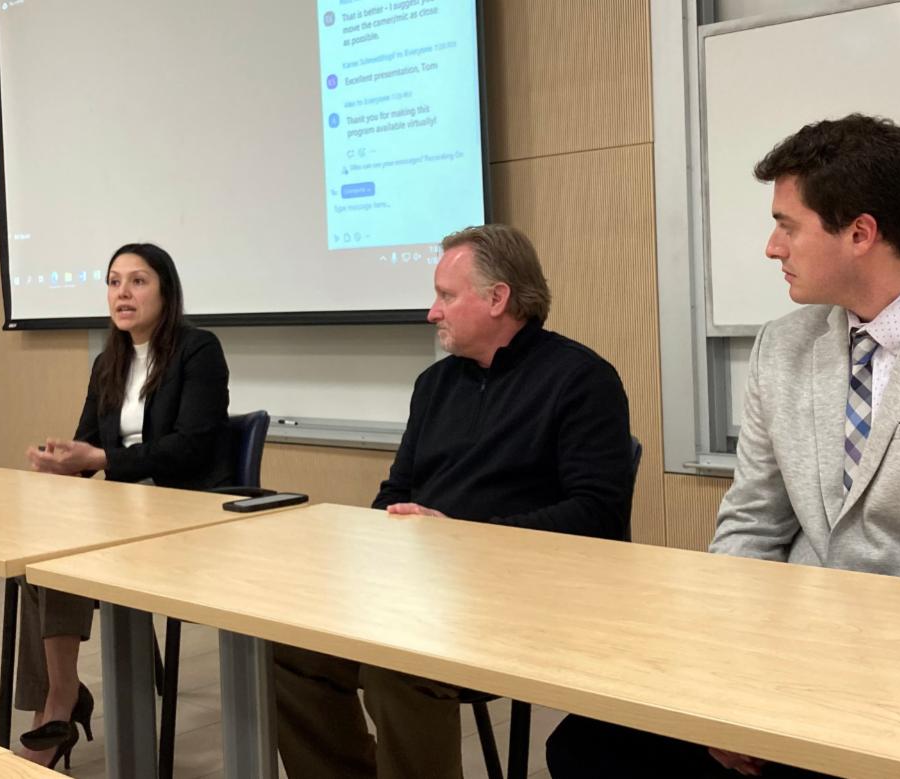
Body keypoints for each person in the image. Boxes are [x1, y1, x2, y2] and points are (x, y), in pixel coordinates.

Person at [546, 114, 900, 777]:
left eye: (787, 225)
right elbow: (748, 529)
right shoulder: (784, 347)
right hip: (784, 667)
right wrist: (733, 688)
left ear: (860, 232)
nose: (773, 247)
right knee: (584, 742)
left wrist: (816, 705)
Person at [272, 223, 636, 779]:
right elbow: (396, 491)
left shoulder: (582, 380)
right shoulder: (434, 385)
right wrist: (387, 531)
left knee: (398, 665)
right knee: (290, 646)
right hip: (420, 592)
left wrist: (461, 534)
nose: (432, 312)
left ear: (498, 298)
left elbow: (598, 514)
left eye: (446, 296)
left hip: (527, 601)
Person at [17, 242, 233, 769]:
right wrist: (63, 460)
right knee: (37, 551)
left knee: (71, 546)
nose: (123, 293)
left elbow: (192, 446)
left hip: (187, 509)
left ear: (166, 291)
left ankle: (59, 703)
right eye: (114, 282)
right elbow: (89, 444)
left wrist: (103, 459)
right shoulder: (107, 361)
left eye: (138, 281)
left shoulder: (198, 350)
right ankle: (61, 695)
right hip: (123, 508)